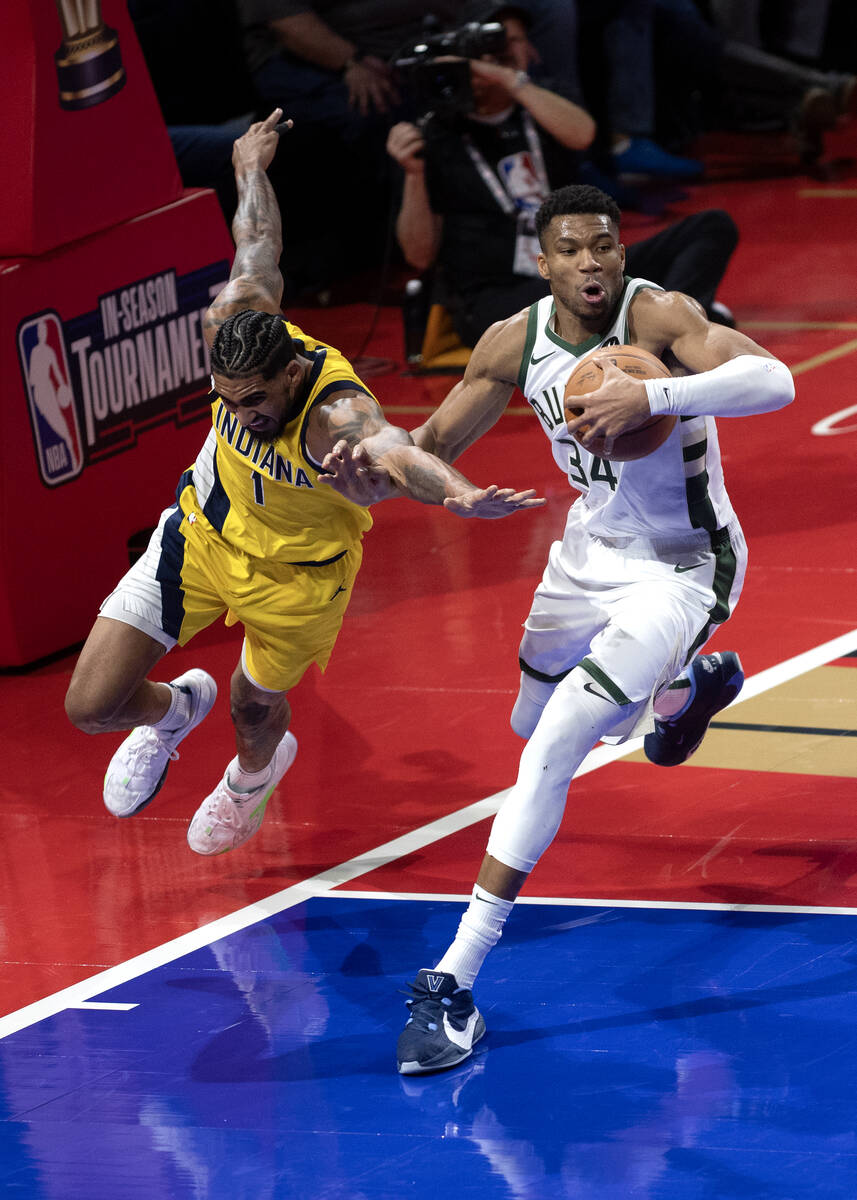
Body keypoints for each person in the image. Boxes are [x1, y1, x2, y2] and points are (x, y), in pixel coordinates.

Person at [320, 182, 794, 1074]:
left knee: (561, 742)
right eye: (571, 249)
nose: (591, 263)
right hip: (586, 556)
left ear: (621, 252)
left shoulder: (656, 317)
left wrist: (654, 401)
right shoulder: (513, 342)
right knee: (530, 724)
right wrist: (377, 471)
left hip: (683, 564)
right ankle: (687, 693)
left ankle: (453, 982)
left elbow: (774, 379)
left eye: (604, 246)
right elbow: (429, 444)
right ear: (542, 262)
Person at [63, 109, 545, 858]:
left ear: (290, 372)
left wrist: (455, 493)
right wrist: (249, 167)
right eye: (227, 400)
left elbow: (397, 452)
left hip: (298, 576)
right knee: (91, 708)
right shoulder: (238, 321)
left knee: (254, 711)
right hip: (198, 536)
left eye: (255, 400)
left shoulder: (337, 411)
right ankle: (172, 711)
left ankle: (252, 780)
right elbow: (257, 245)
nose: (241, 414)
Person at [387, 6, 738, 352]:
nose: (508, 53)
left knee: (712, 226)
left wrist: (511, 80)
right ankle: (672, 327)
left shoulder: (541, 107)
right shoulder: (436, 135)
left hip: (580, 272)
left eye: (514, 42)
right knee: (592, 293)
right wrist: (413, 174)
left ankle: (665, 330)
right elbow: (419, 255)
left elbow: (582, 134)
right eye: (492, 48)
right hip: (500, 297)